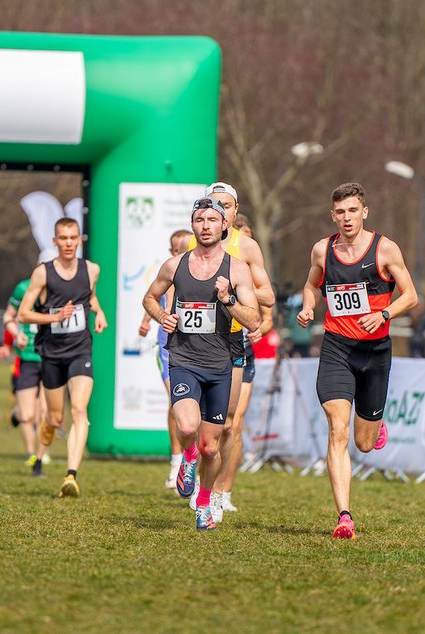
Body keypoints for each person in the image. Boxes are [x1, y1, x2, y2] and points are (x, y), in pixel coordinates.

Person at [296, 182, 417, 539]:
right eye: (340, 212)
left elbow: (411, 295)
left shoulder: (385, 249)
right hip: (336, 348)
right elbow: (311, 285)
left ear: (364, 212)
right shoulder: (323, 250)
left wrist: (384, 314)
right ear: (332, 215)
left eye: (352, 211)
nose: (346, 218)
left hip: (374, 352)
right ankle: (344, 516)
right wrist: (308, 306)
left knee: (364, 442)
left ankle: (376, 426)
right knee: (338, 428)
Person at [142, 196, 261, 530]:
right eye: (199, 220)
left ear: (224, 225)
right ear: (192, 225)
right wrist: (162, 316)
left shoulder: (236, 269)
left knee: (211, 446)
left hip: (220, 365)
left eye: (212, 220)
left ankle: (205, 501)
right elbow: (149, 298)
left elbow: (253, 319)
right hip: (183, 359)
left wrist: (228, 300)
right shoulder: (175, 265)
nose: (205, 226)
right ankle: (187, 456)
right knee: (187, 427)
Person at [180, 182, 275, 519]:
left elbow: (268, 295)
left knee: (230, 423)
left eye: (226, 205)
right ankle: (193, 469)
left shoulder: (246, 246)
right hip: (195, 342)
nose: (218, 210)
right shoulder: (192, 242)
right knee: (192, 421)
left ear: (234, 211)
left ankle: (219, 492)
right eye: (212, 204)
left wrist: (236, 287)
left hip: (234, 340)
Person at [18, 217, 108, 498]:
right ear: (55, 241)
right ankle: (42, 448)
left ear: (80, 240)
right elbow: (23, 314)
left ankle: (71, 475)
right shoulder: (42, 273)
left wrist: (99, 312)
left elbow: (89, 297)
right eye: (63, 238)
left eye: (73, 238)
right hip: (52, 353)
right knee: (55, 418)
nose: (68, 243)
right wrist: (54, 318)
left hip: (80, 349)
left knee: (79, 410)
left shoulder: (91, 269)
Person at [212, 212, 273, 514]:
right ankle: (204, 479)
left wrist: (262, 326)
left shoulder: (250, 271)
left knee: (234, 424)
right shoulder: (213, 266)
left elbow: (268, 311)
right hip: (213, 346)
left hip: (244, 348)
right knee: (211, 423)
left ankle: (225, 491)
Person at [139, 228, 191, 490]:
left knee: (195, 407)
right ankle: (176, 461)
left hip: (195, 346)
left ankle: (191, 462)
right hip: (167, 345)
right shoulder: (169, 271)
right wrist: (147, 321)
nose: (178, 252)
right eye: (175, 248)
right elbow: (154, 298)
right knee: (176, 401)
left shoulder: (202, 271)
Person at [3, 276, 48, 476]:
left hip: (51, 358)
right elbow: (8, 316)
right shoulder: (23, 288)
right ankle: (30, 451)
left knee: (45, 412)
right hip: (27, 359)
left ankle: (39, 457)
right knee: (28, 414)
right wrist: (16, 335)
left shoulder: (60, 287)